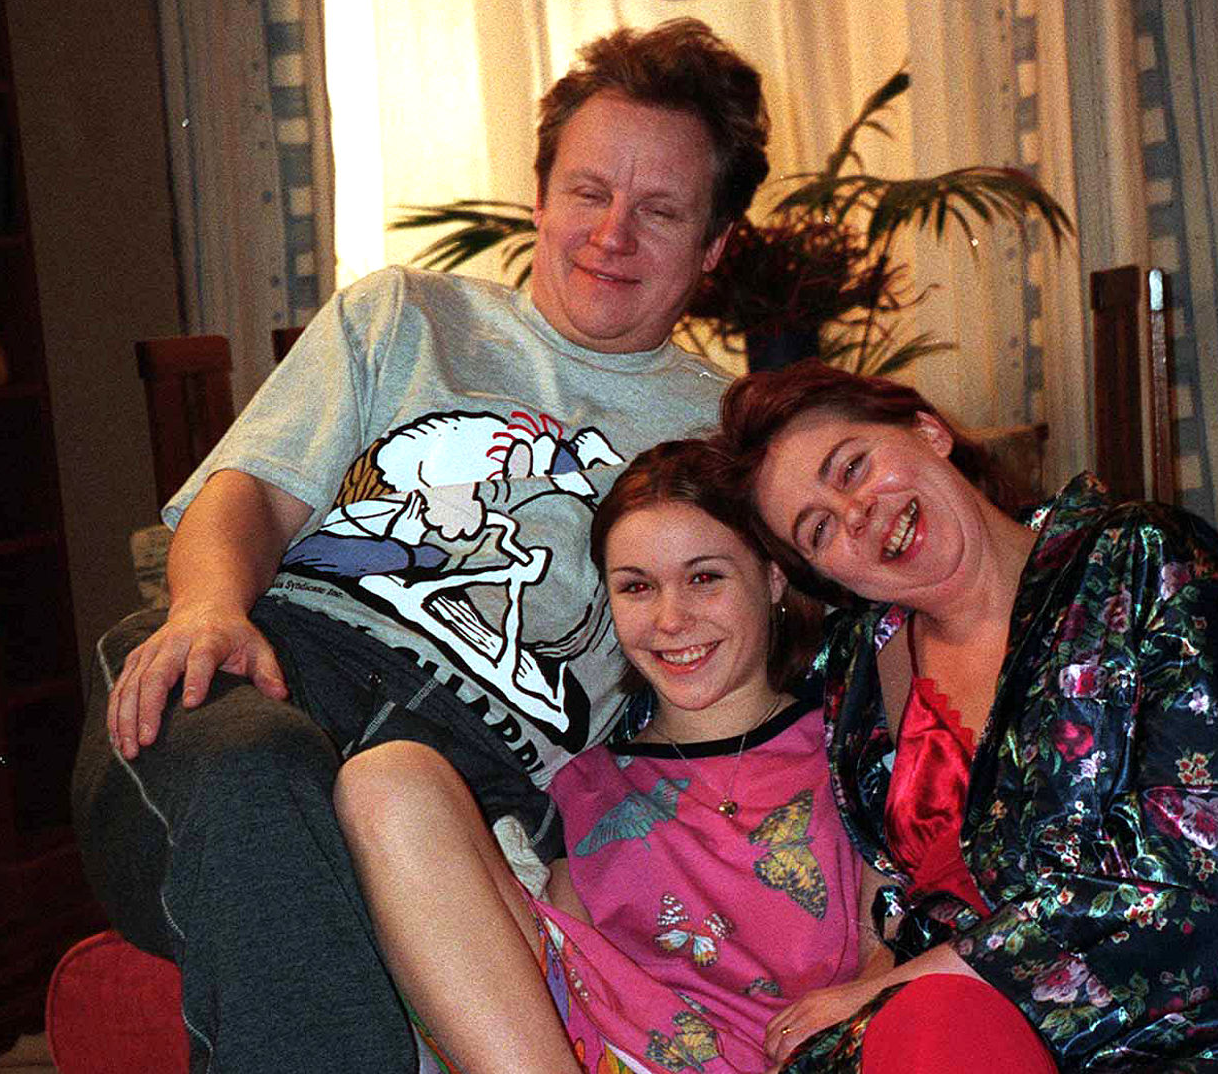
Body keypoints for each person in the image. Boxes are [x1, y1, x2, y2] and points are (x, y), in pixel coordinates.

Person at [71, 20, 770, 1072]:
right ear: (539, 199)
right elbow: (250, 493)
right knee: (256, 776)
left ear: (713, 245)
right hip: (275, 672)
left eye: (661, 211)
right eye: (586, 192)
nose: (611, 234)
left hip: (478, 780)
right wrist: (208, 607)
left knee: (362, 853)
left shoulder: (733, 437)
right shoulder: (404, 314)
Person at [717, 361, 1218, 1073]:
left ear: (928, 431)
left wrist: (909, 985)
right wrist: (876, 991)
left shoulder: (1137, 559)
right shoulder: (862, 667)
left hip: (1182, 1032)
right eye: (818, 531)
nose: (856, 515)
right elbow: (892, 900)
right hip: (943, 1038)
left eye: (852, 468)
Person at [336, 439, 892, 1073]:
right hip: (591, 1050)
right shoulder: (582, 786)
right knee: (388, 777)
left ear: (772, 577)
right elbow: (563, 960)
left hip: (800, 1056)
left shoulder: (850, 751)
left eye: (704, 578)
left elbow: (895, 942)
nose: (670, 619)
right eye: (637, 587)